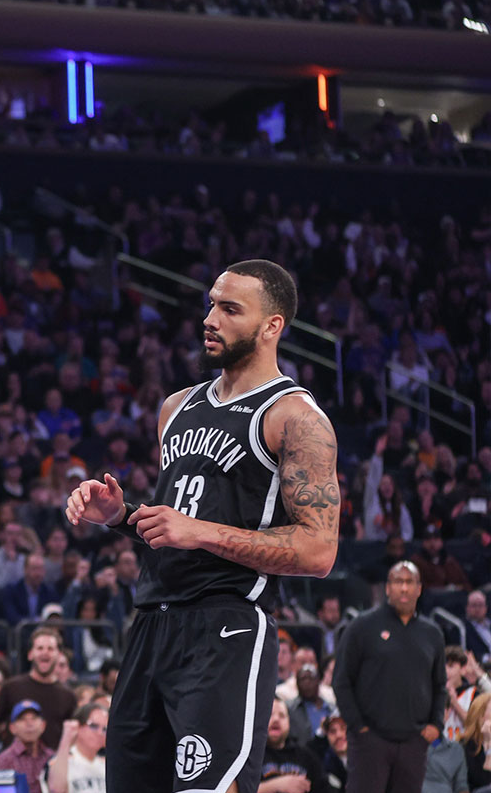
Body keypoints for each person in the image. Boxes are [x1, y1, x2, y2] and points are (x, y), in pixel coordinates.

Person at [66, 260, 341, 793]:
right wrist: (120, 517)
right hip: (152, 623)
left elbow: (318, 550)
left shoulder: (295, 417)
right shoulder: (177, 407)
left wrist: (200, 531)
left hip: (227, 626)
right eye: (211, 303)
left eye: (230, 309)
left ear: (271, 327)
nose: (210, 318)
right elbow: (179, 525)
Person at [334, 561, 446, 793]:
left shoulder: (432, 633)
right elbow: (341, 680)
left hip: (414, 742)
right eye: (398, 582)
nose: (403, 588)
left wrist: (436, 724)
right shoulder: (361, 627)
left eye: (409, 582)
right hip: (370, 741)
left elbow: (440, 685)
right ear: (387, 588)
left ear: (419, 588)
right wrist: (358, 727)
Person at [260, 699, 329, 793]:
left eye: (282, 715)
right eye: (269, 714)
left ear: (289, 722)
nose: (276, 719)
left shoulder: (306, 756)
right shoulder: (251, 756)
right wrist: (276, 785)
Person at [0, 701, 55, 793]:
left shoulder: (51, 757)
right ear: (12, 728)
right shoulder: (4, 760)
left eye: (34, 718)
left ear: (43, 725)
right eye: (22, 719)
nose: (29, 724)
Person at [46, 703, 108, 793]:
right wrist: (66, 739)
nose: (100, 733)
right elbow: (56, 790)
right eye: (94, 726)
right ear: (78, 726)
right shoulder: (60, 760)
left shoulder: (106, 764)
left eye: (105, 729)